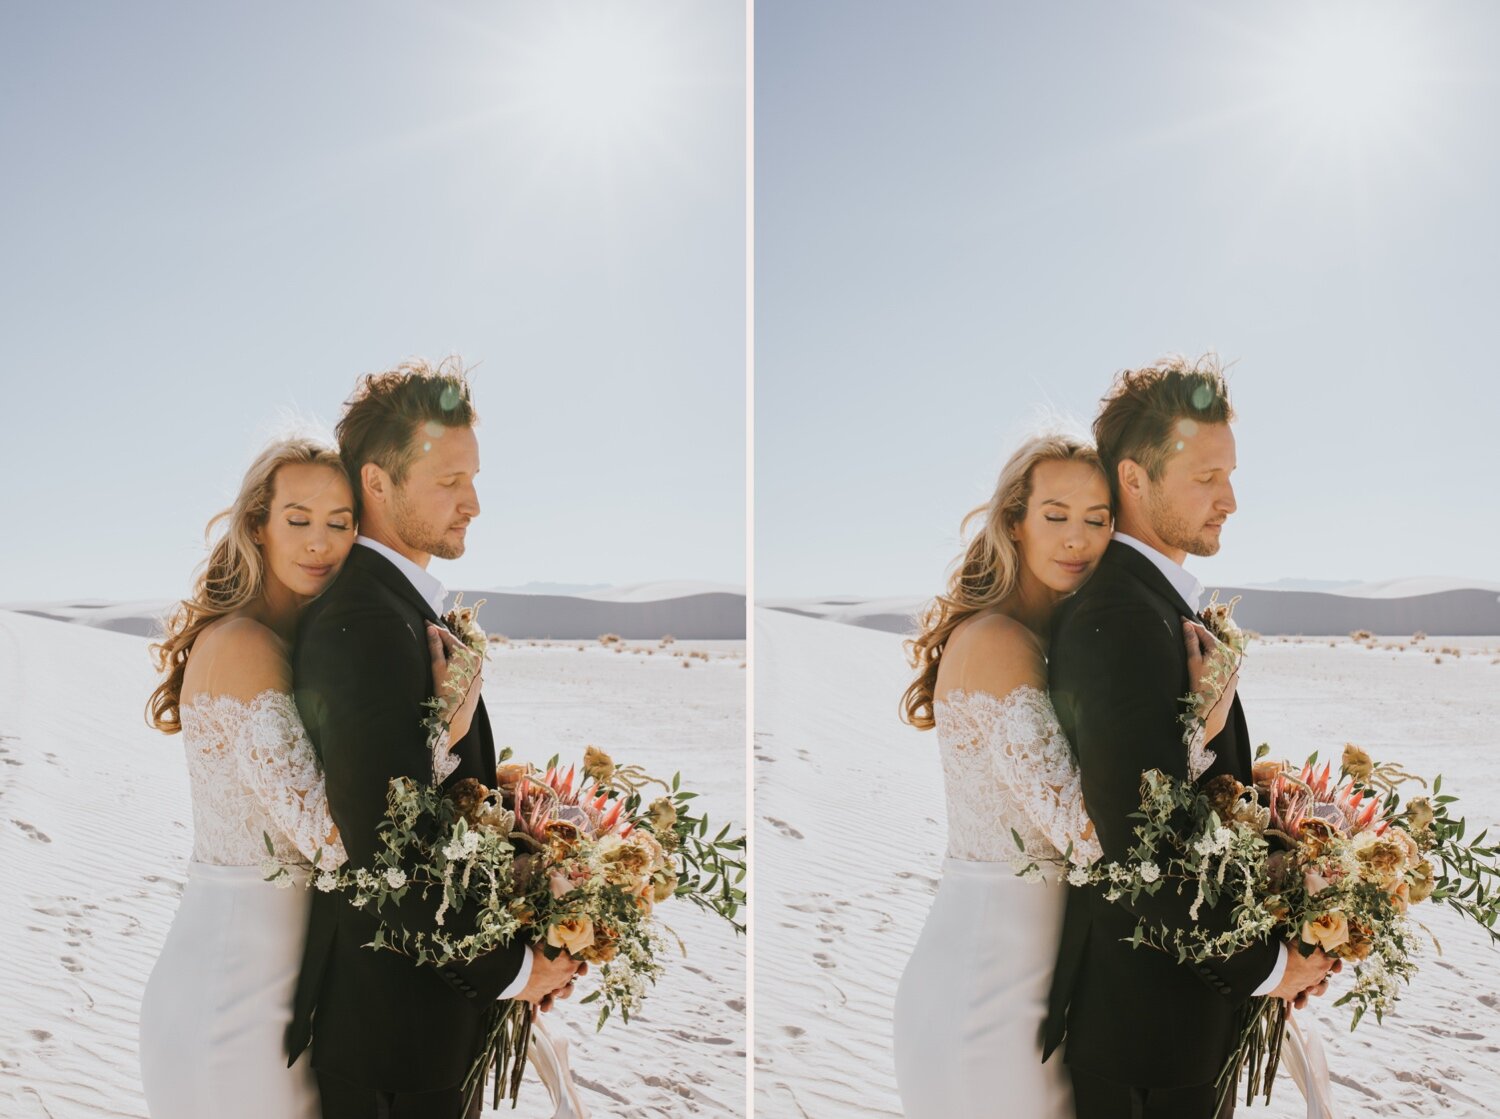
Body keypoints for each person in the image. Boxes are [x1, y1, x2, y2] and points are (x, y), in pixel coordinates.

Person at [287, 359, 581, 1118]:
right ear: (378, 484)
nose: (474, 502)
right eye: (450, 481)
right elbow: (387, 850)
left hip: (426, 1032)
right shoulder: (366, 624)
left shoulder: (400, 611)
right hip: (392, 1044)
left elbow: (424, 795)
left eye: (473, 478)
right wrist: (517, 968)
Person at [1045, 355, 1336, 1118]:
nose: (1231, 499)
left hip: (1179, 1031)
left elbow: (1185, 797)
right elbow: (1140, 850)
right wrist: (1272, 965)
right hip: (1146, 1040)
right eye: (1207, 477)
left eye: (1230, 474)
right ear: (1135, 480)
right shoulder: (1121, 619)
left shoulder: (1154, 606)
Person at [138, 438, 458, 1117]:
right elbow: (337, 841)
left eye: (340, 521)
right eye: (298, 517)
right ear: (258, 523)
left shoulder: (293, 645)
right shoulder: (245, 645)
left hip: (288, 987)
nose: (320, 542)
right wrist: (442, 731)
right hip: (230, 988)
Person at [893, 432, 1129, 1117]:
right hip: (984, 988)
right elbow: (1087, 834)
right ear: (1014, 523)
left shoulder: (1042, 641)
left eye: (1098, 518)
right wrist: (1198, 728)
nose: (1077, 539)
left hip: (1038, 988)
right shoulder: (999, 641)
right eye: (1055, 515)